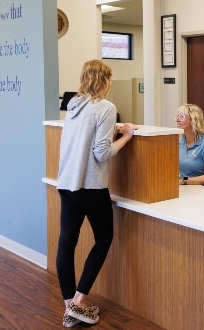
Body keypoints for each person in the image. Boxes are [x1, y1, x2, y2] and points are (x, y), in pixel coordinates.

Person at [56, 60, 137, 327]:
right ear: (105, 80)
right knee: (103, 238)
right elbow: (101, 153)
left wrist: (108, 130)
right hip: (90, 187)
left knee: (66, 243)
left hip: (67, 184)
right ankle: (79, 303)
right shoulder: (106, 108)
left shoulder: (73, 106)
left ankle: (69, 306)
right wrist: (126, 135)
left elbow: (84, 138)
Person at [176, 104, 204, 187]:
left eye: (182, 117)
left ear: (193, 120)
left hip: (202, 191)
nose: (177, 120)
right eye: (177, 116)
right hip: (185, 189)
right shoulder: (179, 143)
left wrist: (184, 181)